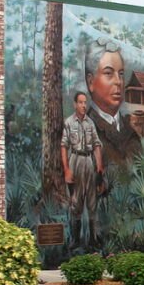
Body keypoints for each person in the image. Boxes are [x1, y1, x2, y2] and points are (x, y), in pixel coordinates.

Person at [85, 36, 142, 169]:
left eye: (121, 74)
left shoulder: (131, 135)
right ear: (91, 82)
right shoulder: (84, 132)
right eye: (109, 73)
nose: (118, 81)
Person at [61, 91, 104, 250]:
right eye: (80, 102)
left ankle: (93, 239)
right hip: (75, 160)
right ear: (75, 104)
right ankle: (76, 239)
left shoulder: (90, 123)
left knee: (92, 202)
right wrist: (66, 169)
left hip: (88, 161)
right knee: (76, 202)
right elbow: (64, 147)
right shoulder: (69, 123)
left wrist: (99, 167)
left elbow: (97, 145)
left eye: (85, 102)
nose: (83, 105)